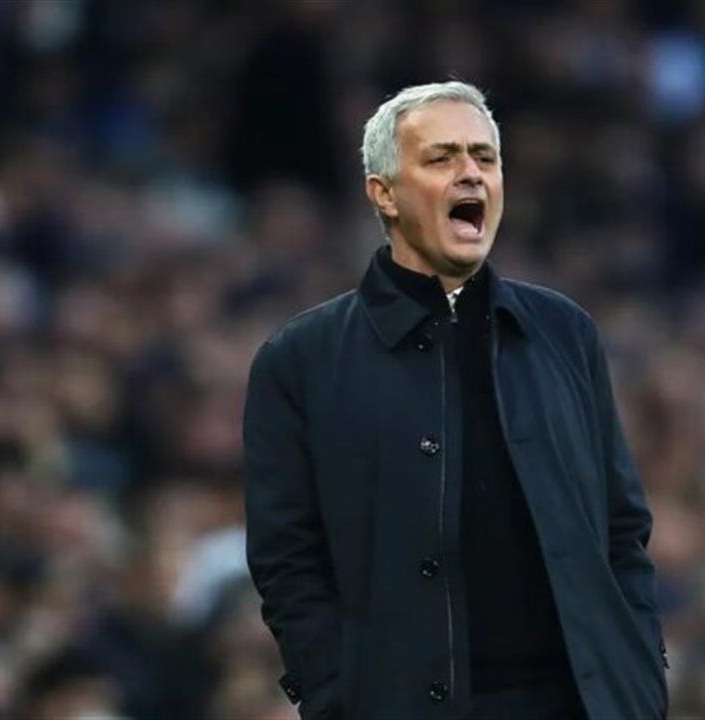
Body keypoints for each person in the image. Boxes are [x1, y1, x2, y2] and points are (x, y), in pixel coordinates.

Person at [243, 81, 668, 720]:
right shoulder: (300, 359)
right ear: (384, 193)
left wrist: (638, 674)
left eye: (484, 157)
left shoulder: (564, 331)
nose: (470, 172)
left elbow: (622, 528)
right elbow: (287, 562)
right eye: (441, 158)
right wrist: (337, 697)